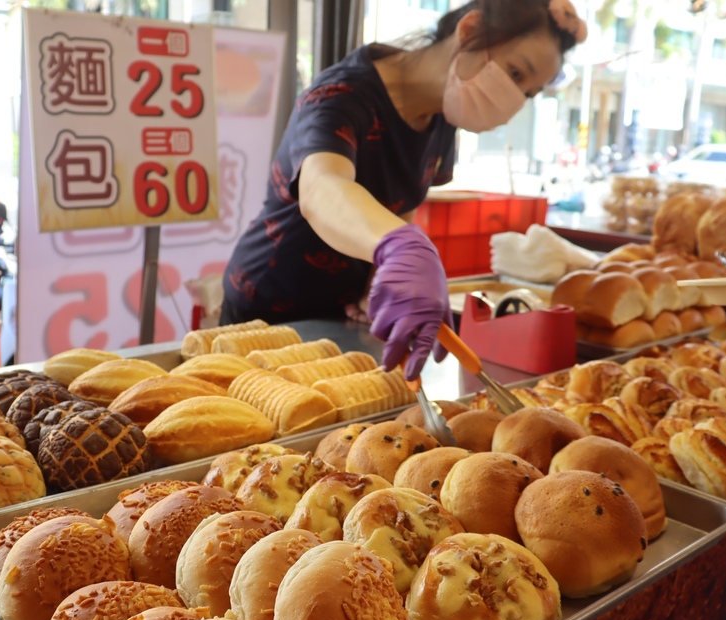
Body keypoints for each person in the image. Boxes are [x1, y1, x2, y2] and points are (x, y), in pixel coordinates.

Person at [220, 0, 586, 380]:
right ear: (470, 30)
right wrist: (400, 246)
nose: (515, 99)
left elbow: (403, 203)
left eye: (529, 93)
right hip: (265, 307)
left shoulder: (444, 115)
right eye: (515, 72)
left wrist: (377, 280)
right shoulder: (342, 96)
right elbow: (323, 188)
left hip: (339, 319)